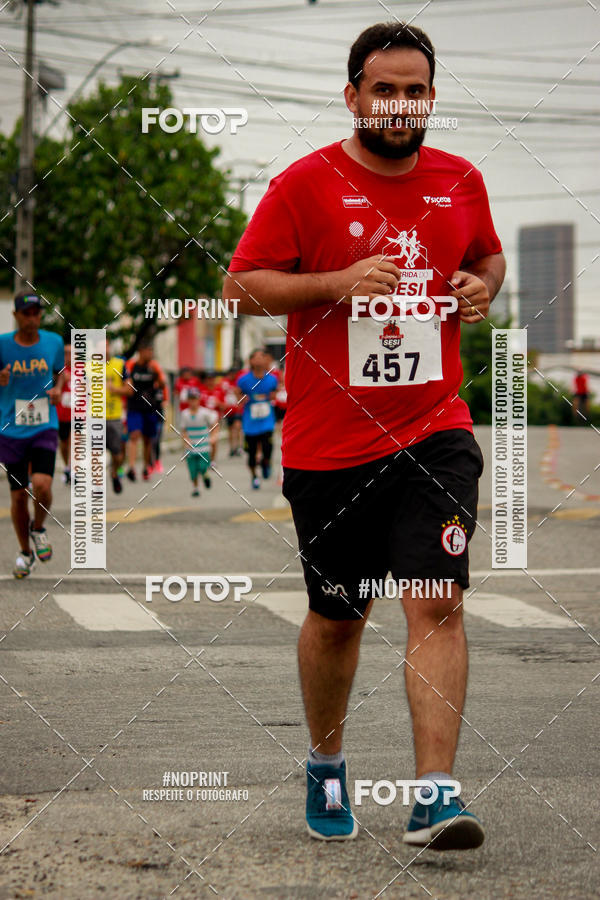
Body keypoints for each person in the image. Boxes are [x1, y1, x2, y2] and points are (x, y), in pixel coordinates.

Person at [224, 22, 505, 849]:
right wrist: (338, 283)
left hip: (435, 426)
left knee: (439, 599)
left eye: (415, 89)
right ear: (353, 96)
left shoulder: (462, 181)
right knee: (338, 616)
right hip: (330, 442)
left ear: (430, 99)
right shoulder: (303, 185)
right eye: (384, 87)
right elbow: (241, 287)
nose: (401, 102)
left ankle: (435, 796)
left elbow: (488, 259)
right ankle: (325, 763)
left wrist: (479, 287)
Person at [0, 292, 65, 577]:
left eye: (36, 313)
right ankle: (26, 553)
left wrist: (59, 388)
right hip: (11, 428)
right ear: (16, 316)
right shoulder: (2, 345)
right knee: (18, 497)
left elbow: (59, 370)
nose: (32, 318)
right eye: (26, 313)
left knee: (42, 484)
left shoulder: (53, 342)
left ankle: (38, 528)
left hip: (43, 424)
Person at [124, 342, 167, 482]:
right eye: (148, 351)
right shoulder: (131, 365)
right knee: (134, 435)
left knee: (148, 439)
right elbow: (126, 383)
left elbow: (162, 384)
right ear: (141, 351)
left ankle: (146, 466)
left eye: (151, 351)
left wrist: (158, 375)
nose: (150, 354)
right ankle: (131, 467)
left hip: (150, 407)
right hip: (134, 407)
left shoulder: (154, 366)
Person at [236, 349, 277, 489]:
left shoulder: (272, 379)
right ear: (251, 361)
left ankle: (266, 462)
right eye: (257, 357)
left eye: (263, 357)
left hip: (267, 421)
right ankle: (254, 476)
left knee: (267, 447)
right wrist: (242, 399)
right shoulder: (244, 380)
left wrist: (273, 396)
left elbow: (276, 391)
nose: (260, 360)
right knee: (251, 454)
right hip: (250, 422)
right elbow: (238, 394)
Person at [180, 387, 219, 496]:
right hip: (191, 447)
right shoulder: (185, 414)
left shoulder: (205, 413)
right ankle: (195, 488)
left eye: (195, 399)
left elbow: (215, 424)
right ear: (188, 400)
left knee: (202, 466)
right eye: (191, 399)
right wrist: (186, 440)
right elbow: (183, 430)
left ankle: (205, 474)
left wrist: (213, 436)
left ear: (199, 399)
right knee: (193, 470)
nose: (193, 402)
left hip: (204, 446)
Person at [103, 338, 128, 494]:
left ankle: (114, 473)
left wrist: (114, 389)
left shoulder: (119, 365)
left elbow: (129, 390)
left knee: (118, 455)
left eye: (105, 345)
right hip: (94, 416)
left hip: (114, 416)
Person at [55, 343, 72, 483]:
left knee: (75, 440)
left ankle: (74, 468)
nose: (69, 356)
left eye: (71, 353)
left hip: (78, 413)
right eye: (66, 353)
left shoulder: (82, 370)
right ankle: (67, 466)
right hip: (62, 414)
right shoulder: (59, 371)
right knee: (64, 442)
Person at [220, 367, 244, 456]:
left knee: (237, 427)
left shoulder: (239, 382)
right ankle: (232, 448)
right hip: (228, 410)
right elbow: (221, 393)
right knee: (230, 430)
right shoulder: (224, 383)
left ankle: (239, 447)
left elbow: (243, 394)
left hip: (237, 409)